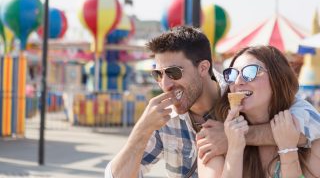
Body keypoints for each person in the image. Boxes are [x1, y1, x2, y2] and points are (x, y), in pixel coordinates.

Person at [105, 26, 320, 178]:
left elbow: (311, 125)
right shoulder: (163, 119)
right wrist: (141, 131)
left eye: (173, 72)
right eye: (158, 74)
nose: (165, 83)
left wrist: (237, 137)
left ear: (203, 68)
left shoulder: (240, 97)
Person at [198, 46, 320, 178]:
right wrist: (235, 147)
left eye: (250, 72)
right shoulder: (213, 140)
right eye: (232, 74)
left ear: (277, 78)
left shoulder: (309, 141)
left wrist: (288, 150)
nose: (238, 81)